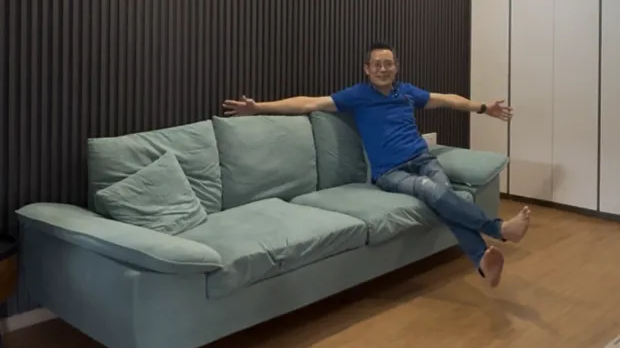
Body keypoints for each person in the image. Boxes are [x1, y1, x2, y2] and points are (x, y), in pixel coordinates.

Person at [222, 42, 530, 288]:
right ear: (367, 69)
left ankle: (481, 262)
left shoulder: (406, 92)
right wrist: (258, 107)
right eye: (377, 64)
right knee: (433, 192)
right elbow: (308, 102)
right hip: (391, 173)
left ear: (396, 67)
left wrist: (483, 108)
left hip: (423, 159)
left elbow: (447, 99)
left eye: (388, 64)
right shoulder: (357, 96)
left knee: (446, 197)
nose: (383, 69)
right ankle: (498, 228)